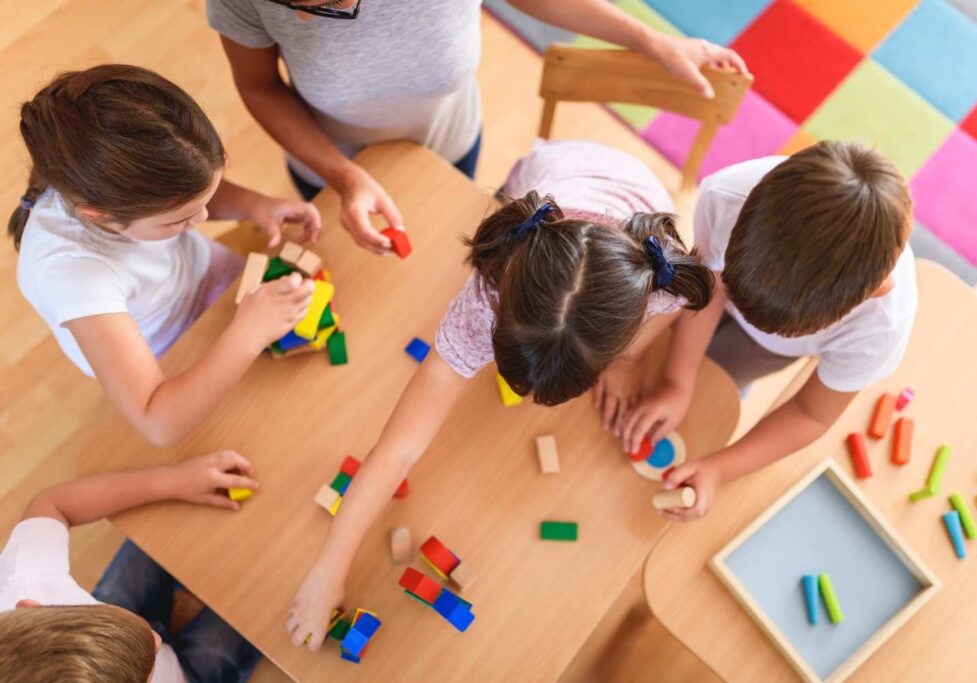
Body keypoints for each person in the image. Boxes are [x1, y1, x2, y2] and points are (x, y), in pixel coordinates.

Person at [284, 139, 715, 647]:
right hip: (550, 172)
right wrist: (327, 572)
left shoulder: (659, 277)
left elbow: (677, 308)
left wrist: (628, 361)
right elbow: (398, 447)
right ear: (496, 316)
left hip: (634, 195)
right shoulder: (483, 297)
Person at [207, 0, 746, 254]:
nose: (303, 20)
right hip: (325, 159)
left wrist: (653, 41)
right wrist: (344, 176)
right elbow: (258, 87)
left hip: (451, 141)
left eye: (328, 4)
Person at [9, 64, 320, 447]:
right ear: (100, 215)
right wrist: (246, 335)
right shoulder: (72, 277)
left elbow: (185, 192)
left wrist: (254, 205)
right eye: (183, 220)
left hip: (201, 277)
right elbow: (158, 421)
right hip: (165, 348)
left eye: (202, 204)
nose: (203, 218)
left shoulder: (129, 189)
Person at [620, 141, 917, 520]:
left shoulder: (881, 327)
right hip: (708, 295)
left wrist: (719, 469)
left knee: (717, 395)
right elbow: (705, 290)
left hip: (767, 349)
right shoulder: (728, 195)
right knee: (666, 355)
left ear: (878, 290)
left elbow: (812, 414)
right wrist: (678, 381)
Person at [0, 450, 261, 683]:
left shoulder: (23, 583)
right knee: (260, 605)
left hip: (113, 627)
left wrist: (175, 481)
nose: (155, 639)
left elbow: (51, 504)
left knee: (158, 531)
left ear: (31, 609)